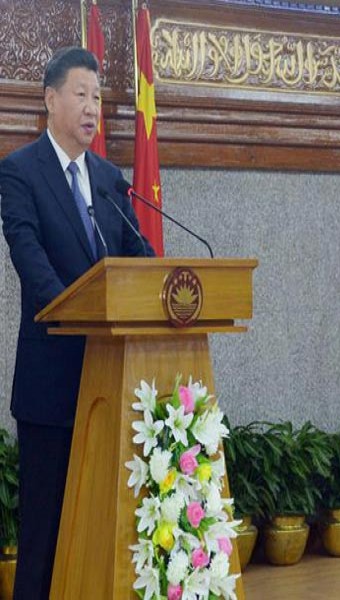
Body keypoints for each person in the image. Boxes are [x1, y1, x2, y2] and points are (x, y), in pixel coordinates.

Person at [0, 46, 152, 598]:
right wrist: (88, 314)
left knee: (104, 533)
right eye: (82, 95)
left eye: (99, 98)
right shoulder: (19, 173)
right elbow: (32, 264)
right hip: (53, 388)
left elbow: (140, 257)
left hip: (114, 384)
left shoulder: (111, 179)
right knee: (45, 536)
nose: (93, 109)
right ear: (50, 99)